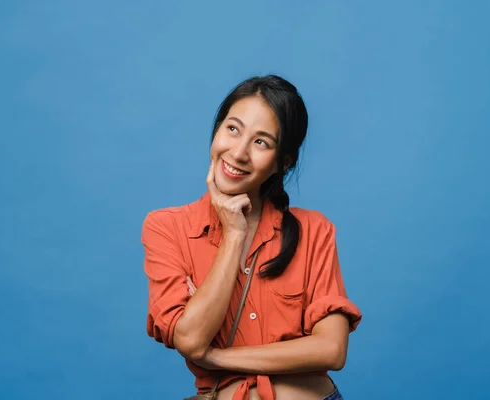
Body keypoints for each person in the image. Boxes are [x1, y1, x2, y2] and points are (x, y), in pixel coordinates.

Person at [141, 75, 362, 400]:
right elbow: (189, 340)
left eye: (261, 142)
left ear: (282, 162)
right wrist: (233, 235)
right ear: (216, 131)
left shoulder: (314, 231)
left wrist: (216, 358)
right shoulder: (166, 228)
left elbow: (332, 349)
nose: (239, 152)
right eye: (232, 129)